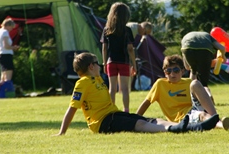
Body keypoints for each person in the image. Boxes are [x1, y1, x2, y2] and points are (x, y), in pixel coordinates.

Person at [55, 52, 191, 135]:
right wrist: (62, 132)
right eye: (97, 64)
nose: (100, 66)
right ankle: (172, 129)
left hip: (113, 114)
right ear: (91, 66)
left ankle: (176, 124)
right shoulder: (82, 83)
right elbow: (72, 108)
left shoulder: (97, 78)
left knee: (147, 120)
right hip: (103, 122)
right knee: (139, 125)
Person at [136, 55, 229, 131]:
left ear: (182, 71)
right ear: (165, 73)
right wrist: (134, 119)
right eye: (169, 71)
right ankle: (221, 124)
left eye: (176, 70)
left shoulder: (188, 82)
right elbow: (147, 102)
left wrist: (208, 93)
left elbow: (206, 99)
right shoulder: (160, 84)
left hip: (195, 108)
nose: (172, 74)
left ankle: (216, 118)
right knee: (202, 115)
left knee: (196, 83)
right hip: (183, 117)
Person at [100, 2, 137, 112]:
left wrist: (104, 63)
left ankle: (112, 109)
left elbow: (104, 48)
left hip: (111, 62)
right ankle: (126, 110)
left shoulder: (106, 30)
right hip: (124, 62)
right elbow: (130, 49)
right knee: (125, 89)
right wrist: (134, 64)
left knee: (112, 88)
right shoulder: (127, 30)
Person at [181, 31, 227, 103]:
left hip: (187, 48)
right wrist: (223, 57)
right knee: (203, 82)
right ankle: (208, 97)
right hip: (205, 51)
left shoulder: (186, 36)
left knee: (193, 70)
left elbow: (187, 67)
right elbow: (222, 48)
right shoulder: (208, 36)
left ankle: (192, 97)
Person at [0, 18, 20, 83]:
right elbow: (6, 46)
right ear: (8, 25)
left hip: (1, 55)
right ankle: (7, 91)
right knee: (8, 75)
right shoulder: (5, 32)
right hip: (6, 55)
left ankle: (0, 91)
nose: (11, 29)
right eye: (11, 27)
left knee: (3, 76)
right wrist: (14, 47)